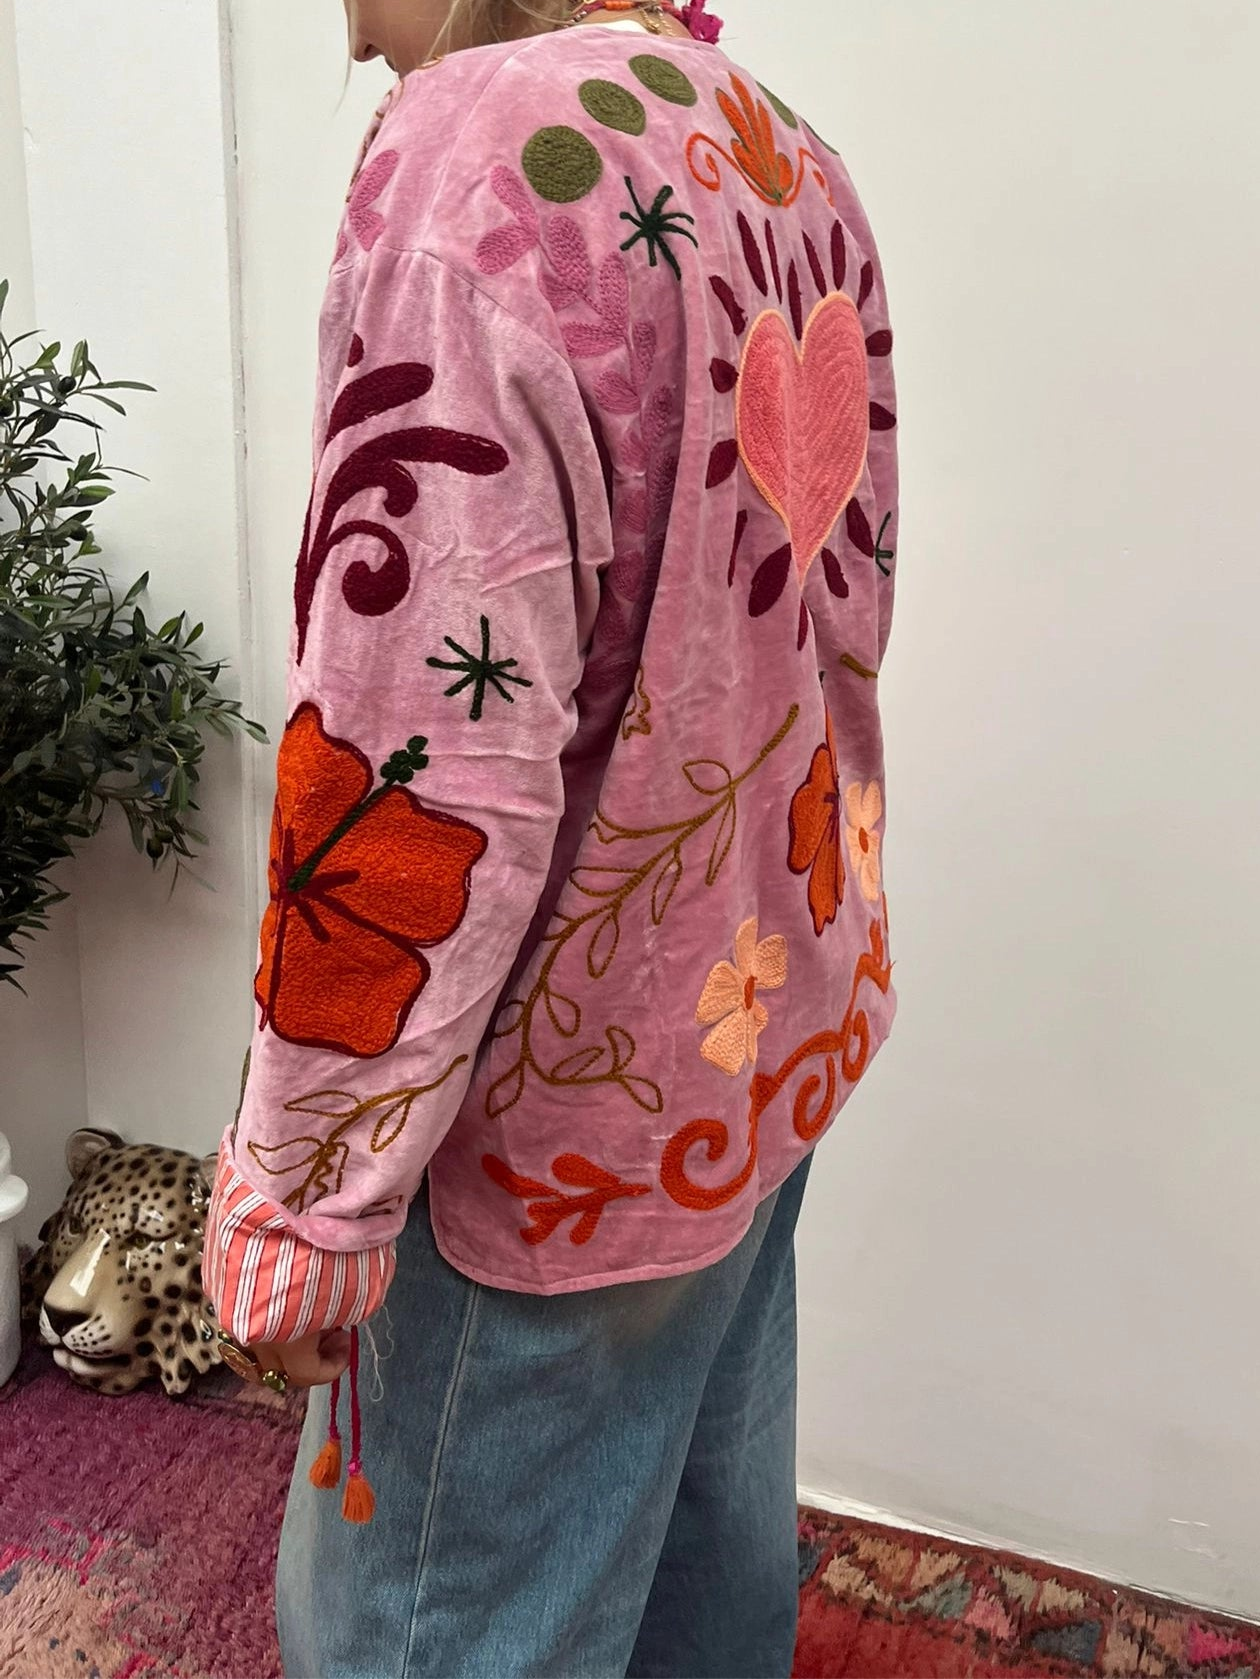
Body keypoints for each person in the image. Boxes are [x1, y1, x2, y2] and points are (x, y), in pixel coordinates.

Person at [203, 0, 899, 1671]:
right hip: (752, 1036)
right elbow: (834, 615)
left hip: (539, 1128)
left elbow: (417, 756)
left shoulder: (473, 167)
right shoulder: (777, 151)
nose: (345, 29)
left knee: (438, 1634)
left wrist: (305, 1197)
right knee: (696, 1591)